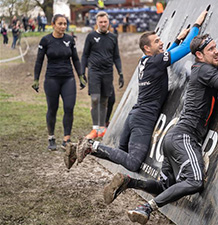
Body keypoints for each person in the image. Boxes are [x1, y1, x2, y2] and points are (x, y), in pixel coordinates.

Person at [102, 3, 218, 224]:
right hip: (184, 138)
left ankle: (130, 182)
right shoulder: (204, 72)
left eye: (215, 47)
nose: (217, 52)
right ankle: (146, 208)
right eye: (212, 49)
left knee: (167, 186)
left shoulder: (204, 67)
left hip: (173, 138)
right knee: (195, 182)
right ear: (200, 56)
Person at [64, 10, 208, 172]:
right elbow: (186, 48)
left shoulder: (145, 61)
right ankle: (90, 144)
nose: (161, 43)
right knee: (133, 163)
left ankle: (81, 149)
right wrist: (196, 25)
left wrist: (176, 40)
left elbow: (166, 55)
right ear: (147, 48)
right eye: (157, 41)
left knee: (121, 153)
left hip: (134, 115)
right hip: (144, 119)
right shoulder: (157, 62)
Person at [32, 14, 86, 150]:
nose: (63, 26)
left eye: (65, 24)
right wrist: (36, 79)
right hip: (52, 79)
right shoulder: (45, 40)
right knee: (53, 108)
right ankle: (51, 138)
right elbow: (39, 61)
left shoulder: (69, 39)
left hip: (68, 78)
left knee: (69, 107)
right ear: (53, 24)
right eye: (60, 24)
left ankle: (66, 139)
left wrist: (80, 76)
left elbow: (76, 59)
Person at [80, 11, 124, 140]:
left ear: (108, 22)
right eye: (101, 22)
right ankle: (95, 129)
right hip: (94, 71)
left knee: (105, 100)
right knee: (95, 99)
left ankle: (102, 127)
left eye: (105, 22)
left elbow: (116, 56)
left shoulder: (113, 37)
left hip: (107, 72)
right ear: (97, 23)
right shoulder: (91, 36)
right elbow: (84, 55)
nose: (103, 24)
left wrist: (120, 72)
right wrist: (82, 72)